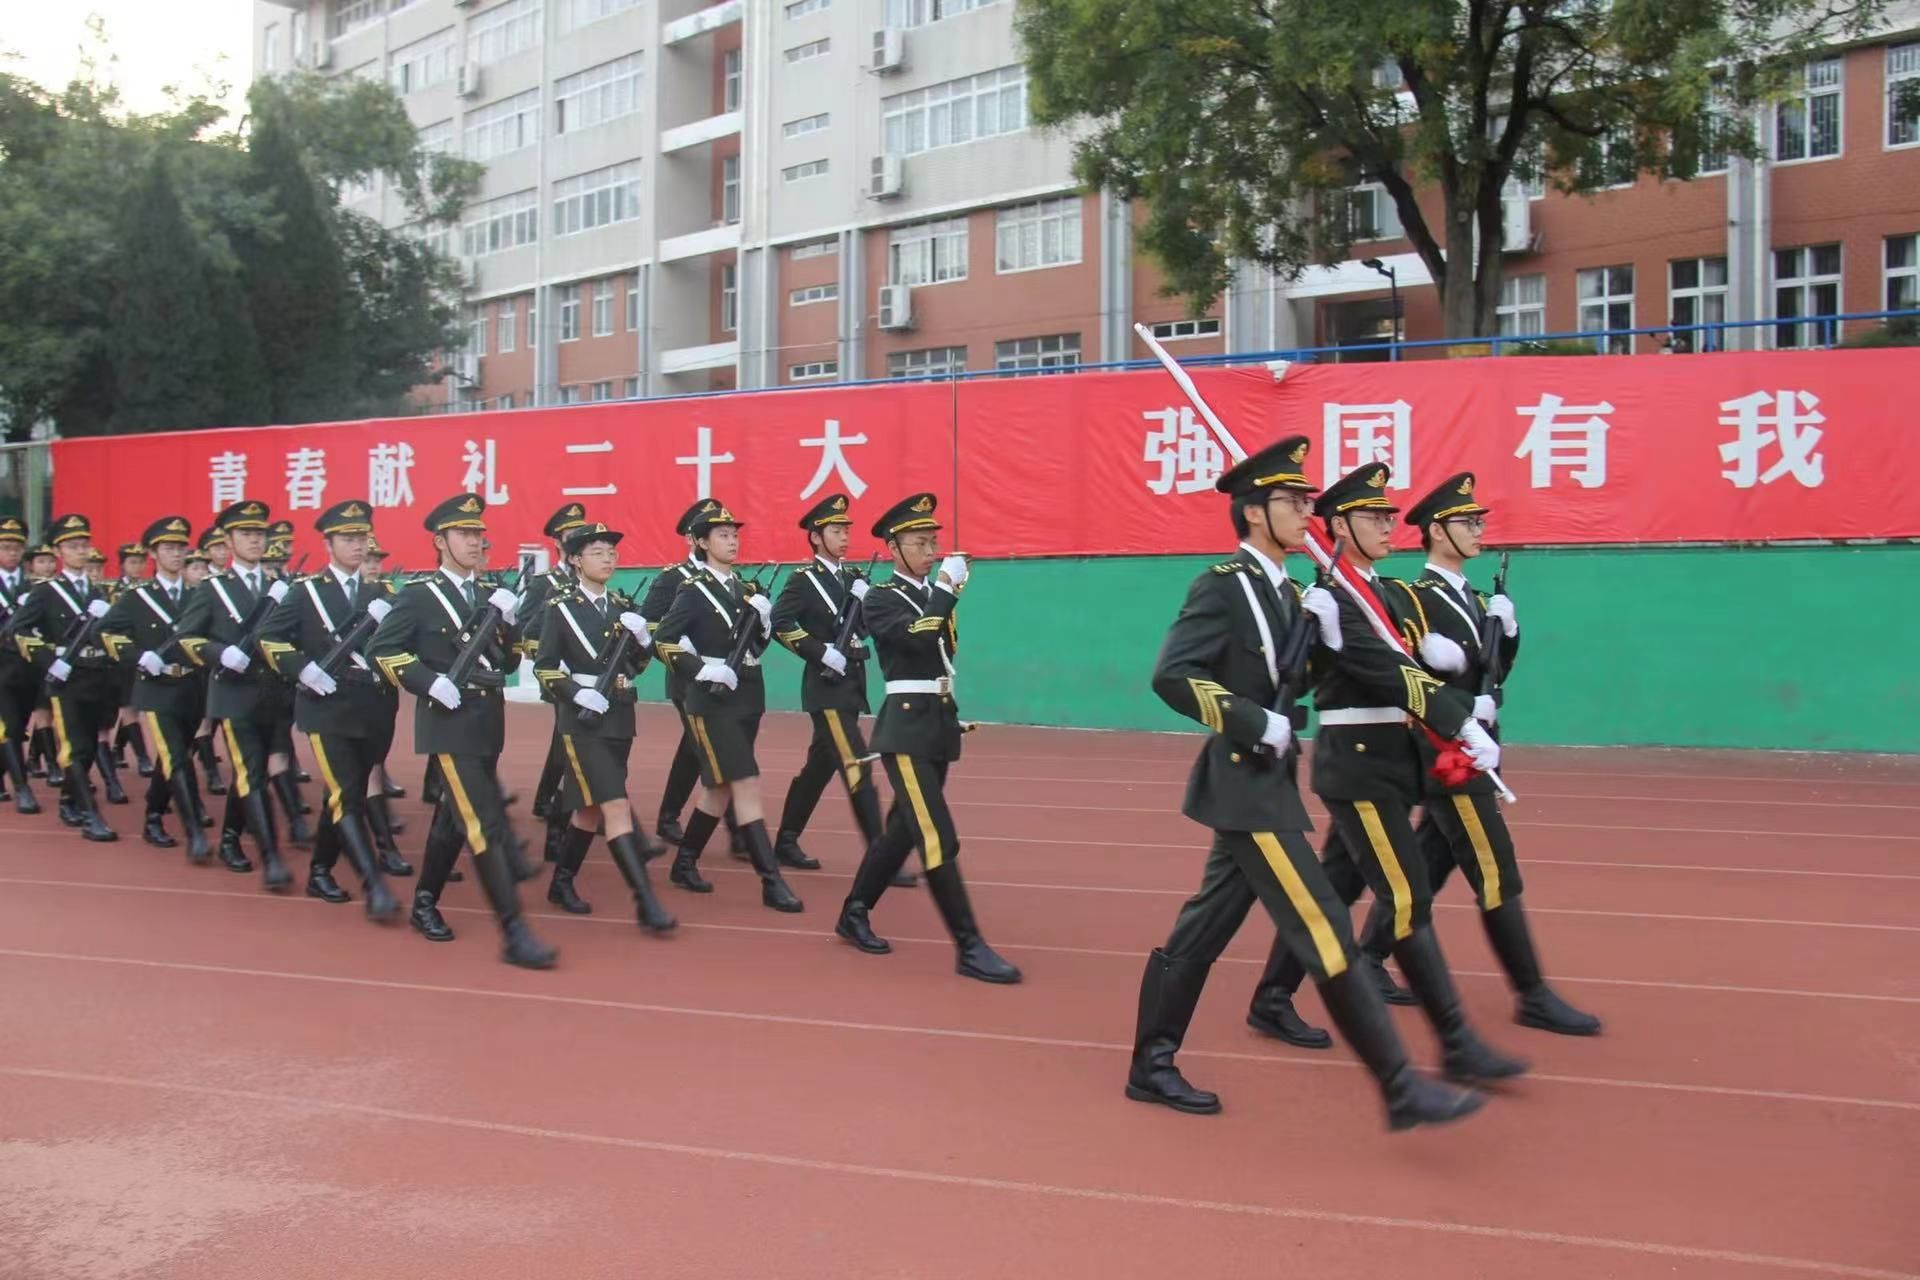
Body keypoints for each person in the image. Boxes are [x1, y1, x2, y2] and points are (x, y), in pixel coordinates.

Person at [1121, 436, 1485, 1129]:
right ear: (1255, 512)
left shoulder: (1292, 591)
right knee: (1324, 926)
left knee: (1201, 930)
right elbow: (1173, 676)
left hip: (1270, 781)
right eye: (1291, 501)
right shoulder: (1223, 585)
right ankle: (1400, 1086)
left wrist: (1329, 643)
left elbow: (1306, 676)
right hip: (1246, 782)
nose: (1305, 512)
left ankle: (1151, 1063)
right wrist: (1250, 720)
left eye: (1305, 500)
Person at [1240, 461, 1529, 1087]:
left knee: (1336, 887)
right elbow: (1375, 670)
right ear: (1340, 526)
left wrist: (1477, 655)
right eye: (1373, 516)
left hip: (1395, 757)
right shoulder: (1330, 597)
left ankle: (1272, 996)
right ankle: (1455, 1041)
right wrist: (1458, 719)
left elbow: (1417, 658)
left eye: (1388, 515)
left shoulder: (1390, 594)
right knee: (1406, 898)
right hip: (1359, 760)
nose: (1386, 525)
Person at [1320, 473, 1601, 1037]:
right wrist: (1458, 695)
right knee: (1495, 867)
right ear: (1436, 531)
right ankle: (1531, 994)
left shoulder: (1475, 598)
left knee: (1432, 860)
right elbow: (1406, 673)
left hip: (1477, 745)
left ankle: (1369, 954)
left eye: (1478, 522)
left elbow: (1491, 670)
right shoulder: (1414, 598)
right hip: (1446, 752)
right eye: (1466, 522)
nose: (1477, 531)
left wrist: (1509, 634)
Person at [832, 493, 1020, 984]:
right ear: (894, 548)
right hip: (905, 728)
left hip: (936, 722)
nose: (931, 551)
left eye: (933, 542)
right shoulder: (880, 598)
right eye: (919, 543)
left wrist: (942, 593)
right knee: (937, 836)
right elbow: (918, 637)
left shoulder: (929, 596)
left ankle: (854, 911)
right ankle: (969, 946)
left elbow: (941, 648)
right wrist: (946, 590)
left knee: (902, 831)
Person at [368, 492, 556, 968]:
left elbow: (506, 662)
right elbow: (382, 650)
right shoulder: (418, 595)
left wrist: (508, 624)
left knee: (453, 817)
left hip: (487, 718)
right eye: (464, 534)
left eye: (478, 534)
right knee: (483, 823)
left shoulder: (485, 593)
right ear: (440, 541)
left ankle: (424, 902)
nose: (475, 542)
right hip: (447, 722)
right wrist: (428, 681)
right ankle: (514, 933)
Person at [255, 499, 403, 924]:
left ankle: (320, 870)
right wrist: (302, 668)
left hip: (375, 707)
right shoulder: (307, 592)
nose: (357, 545)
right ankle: (374, 885)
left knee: (346, 793)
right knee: (345, 793)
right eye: (347, 538)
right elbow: (268, 638)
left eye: (361, 538)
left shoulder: (383, 593)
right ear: (328, 544)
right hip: (328, 706)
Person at [654, 500, 804, 913]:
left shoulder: (743, 590)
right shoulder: (692, 589)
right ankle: (771, 880)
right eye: (722, 535)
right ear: (702, 543)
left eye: (734, 535)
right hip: (711, 699)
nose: (732, 541)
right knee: (745, 782)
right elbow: (663, 641)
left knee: (719, 788)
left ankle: (685, 862)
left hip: (747, 694)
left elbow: (753, 648)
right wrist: (702, 670)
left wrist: (765, 624)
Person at [531, 521, 676, 933]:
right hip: (582, 721)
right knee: (614, 805)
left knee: (589, 810)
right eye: (597, 552)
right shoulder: (560, 607)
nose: (608, 558)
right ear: (576, 560)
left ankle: (561, 882)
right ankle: (646, 901)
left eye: (611, 552)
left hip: (619, 716)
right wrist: (577, 693)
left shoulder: (620, 606)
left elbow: (635, 666)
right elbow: (544, 667)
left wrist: (643, 641)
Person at [767, 491, 892, 875]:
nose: (844, 537)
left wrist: (866, 604)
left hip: (851, 684)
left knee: (819, 768)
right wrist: (819, 651)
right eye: (836, 531)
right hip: (826, 687)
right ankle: (881, 857)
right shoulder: (803, 580)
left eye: (846, 531)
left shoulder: (854, 578)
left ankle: (786, 841)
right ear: (816, 537)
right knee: (857, 764)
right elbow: (779, 624)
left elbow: (865, 629)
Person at [176, 499, 297, 886]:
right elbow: (186, 638)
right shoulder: (214, 588)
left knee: (257, 770)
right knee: (251, 772)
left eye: (260, 534)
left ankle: (230, 838)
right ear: (228, 541)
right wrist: (219, 653)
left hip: (274, 692)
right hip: (234, 694)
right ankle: (271, 857)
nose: (255, 540)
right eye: (246, 534)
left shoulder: (280, 586)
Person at [99, 516, 214, 859]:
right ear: (153, 553)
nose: (176, 554)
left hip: (193, 685)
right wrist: (138, 656)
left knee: (176, 754)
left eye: (181, 548)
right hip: (157, 687)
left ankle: (153, 815)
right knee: (176, 756)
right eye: (168, 548)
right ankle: (194, 832)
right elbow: (104, 632)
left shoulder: (198, 594)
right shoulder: (138, 597)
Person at [642, 499, 745, 856]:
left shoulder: (731, 579)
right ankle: (739, 830)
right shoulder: (673, 578)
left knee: (694, 748)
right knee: (717, 749)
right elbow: (649, 625)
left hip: (725, 678)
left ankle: (668, 816)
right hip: (687, 679)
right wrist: (685, 650)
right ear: (694, 538)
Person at [10, 513, 120, 841]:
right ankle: (90, 815)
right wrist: (49, 660)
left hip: (97, 675)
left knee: (89, 747)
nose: (80, 551)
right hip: (66, 678)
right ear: (58, 552)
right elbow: (18, 630)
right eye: (72, 546)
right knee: (76, 745)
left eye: (84, 545)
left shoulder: (99, 591)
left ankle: (68, 800)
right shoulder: (46, 591)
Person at [520, 503, 591, 860]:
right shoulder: (544, 584)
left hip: (590, 678)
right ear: (558, 544)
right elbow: (526, 630)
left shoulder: (589, 578)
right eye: (572, 535)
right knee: (569, 743)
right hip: (560, 675)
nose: (579, 539)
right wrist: (552, 657)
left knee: (566, 743)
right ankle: (556, 825)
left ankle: (548, 800)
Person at [0, 515, 44, 814]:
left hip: (27, 668)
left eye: (17, 547)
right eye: (5, 546)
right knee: (9, 727)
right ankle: (22, 788)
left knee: (19, 726)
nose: (12, 552)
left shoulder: (35, 586)